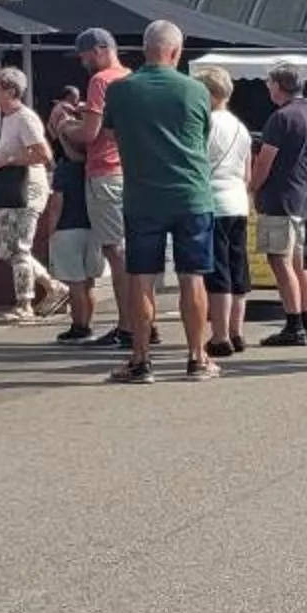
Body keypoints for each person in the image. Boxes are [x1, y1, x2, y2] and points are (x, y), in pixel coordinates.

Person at [97, 20, 217, 383]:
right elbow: (203, 136)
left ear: (145, 49)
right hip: (191, 194)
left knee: (141, 277)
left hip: (142, 195)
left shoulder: (120, 90)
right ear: (176, 51)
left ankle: (140, 359)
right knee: (192, 277)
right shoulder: (196, 91)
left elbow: (110, 132)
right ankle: (197, 357)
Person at [51, 28, 141, 352]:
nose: (83, 61)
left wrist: (64, 125)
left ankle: (128, 326)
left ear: (102, 50)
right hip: (129, 171)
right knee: (130, 251)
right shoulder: (131, 78)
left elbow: (90, 134)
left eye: (86, 54)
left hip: (105, 172)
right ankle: (144, 320)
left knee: (116, 253)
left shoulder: (101, 80)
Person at [0, 66, 60, 324]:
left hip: (27, 189)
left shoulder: (24, 117)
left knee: (18, 245)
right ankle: (52, 285)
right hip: (14, 189)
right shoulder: (10, 118)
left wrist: (7, 160)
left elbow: (44, 154)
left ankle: (25, 303)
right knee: (6, 247)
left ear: (10, 91)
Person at [250, 64, 307, 347]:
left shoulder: (280, 118)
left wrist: (252, 186)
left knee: (279, 259)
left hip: (280, 195)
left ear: (279, 85)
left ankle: (293, 323)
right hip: (306, 195)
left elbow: (266, 160)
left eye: (270, 83)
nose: (268, 87)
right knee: (301, 261)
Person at [194, 65, 255, 358]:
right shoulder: (240, 128)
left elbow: (198, 161)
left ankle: (219, 336)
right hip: (238, 202)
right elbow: (247, 174)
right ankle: (236, 330)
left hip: (213, 201)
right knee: (237, 266)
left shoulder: (207, 124)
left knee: (218, 271)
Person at [42, 86, 106, 343]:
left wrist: (50, 230)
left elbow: (57, 202)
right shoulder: (94, 165)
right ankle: (88, 323)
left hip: (68, 228)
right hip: (94, 226)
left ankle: (78, 326)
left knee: (76, 283)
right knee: (90, 281)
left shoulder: (65, 170)